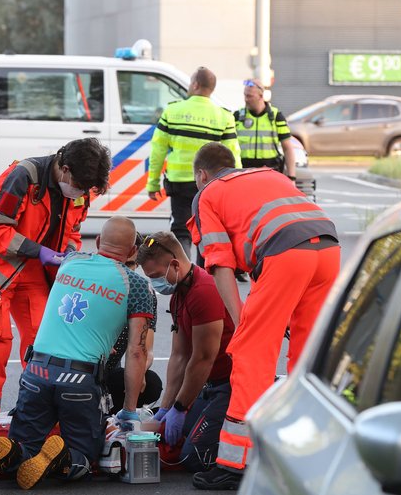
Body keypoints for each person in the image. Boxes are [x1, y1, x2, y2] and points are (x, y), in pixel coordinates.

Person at [187, 143, 340, 490]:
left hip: (285, 254)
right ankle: (309, 452)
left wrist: (242, 323)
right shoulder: (267, 174)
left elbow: (220, 263)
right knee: (307, 356)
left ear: (202, 175)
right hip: (328, 248)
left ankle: (236, 463)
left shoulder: (208, 194)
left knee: (250, 352)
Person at [0, 217, 155, 490]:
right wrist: (128, 410)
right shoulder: (136, 285)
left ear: (99, 242)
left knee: (28, 443)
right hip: (80, 380)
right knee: (84, 457)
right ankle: (66, 457)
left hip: (36, 372)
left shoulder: (71, 262)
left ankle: (16, 452)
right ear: (132, 252)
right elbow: (137, 352)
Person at [0, 137, 113, 420]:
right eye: (79, 186)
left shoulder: (81, 188)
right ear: (64, 169)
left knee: (44, 348)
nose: (80, 193)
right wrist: (40, 251)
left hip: (34, 274)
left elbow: (72, 232)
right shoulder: (22, 178)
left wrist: (67, 253)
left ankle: (34, 424)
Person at [136, 231, 236, 474]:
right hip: (211, 384)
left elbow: (203, 358)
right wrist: (166, 408)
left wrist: (180, 408)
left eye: (157, 276)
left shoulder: (204, 292)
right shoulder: (179, 294)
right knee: (171, 436)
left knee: (193, 458)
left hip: (232, 384)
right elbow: (179, 356)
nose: (155, 283)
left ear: (174, 264)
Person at [145, 67, 241, 257]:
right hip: (210, 185)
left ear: (195, 85)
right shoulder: (224, 116)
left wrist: (153, 182)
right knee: (206, 231)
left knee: (181, 230)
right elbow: (232, 155)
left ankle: (184, 274)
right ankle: (203, 277)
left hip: (179, 183)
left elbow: (157, 151)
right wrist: (235, 188)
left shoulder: (172, 111)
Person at [96, 217, 162, 412]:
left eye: (130, 265)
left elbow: (145, 350)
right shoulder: (92, 282)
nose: (123, 269)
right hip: (81, 367)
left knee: (151, 384)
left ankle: (116, 417)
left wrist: (140, 369)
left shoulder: (142, 292)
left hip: (109, 372)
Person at [234, 79, 297, 179]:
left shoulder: (276, 117)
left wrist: (291, 177)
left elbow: (288, 148)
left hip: (270, 173)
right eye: (245, 95)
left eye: (250, 96)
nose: (246, 99)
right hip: (244, 173)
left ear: (261, 96)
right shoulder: (237, 116)